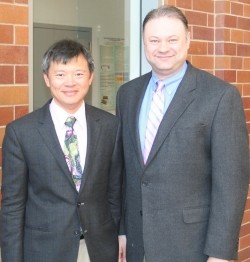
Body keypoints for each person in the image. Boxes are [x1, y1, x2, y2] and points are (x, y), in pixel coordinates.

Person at [116, 5, 249, 262]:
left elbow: (231, 183)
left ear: (188, 39)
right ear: (144, 44)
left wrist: (220, 253)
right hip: (137, 242)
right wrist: (122, 229)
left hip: (192, 246)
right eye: (154, 40)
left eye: (172, 39)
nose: (162, 47)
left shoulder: (220, 96)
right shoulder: (127, 94)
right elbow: (124, 171)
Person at [1, 39, 125, 262]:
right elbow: (12, 207)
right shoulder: (21, 133)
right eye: (60, 75)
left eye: (78, 74)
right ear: (47, 78)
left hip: (99, 248)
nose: (70, 82)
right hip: (44, 250)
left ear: (90, 77)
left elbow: (115, 192)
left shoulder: (110, 126)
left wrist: (115, 236)